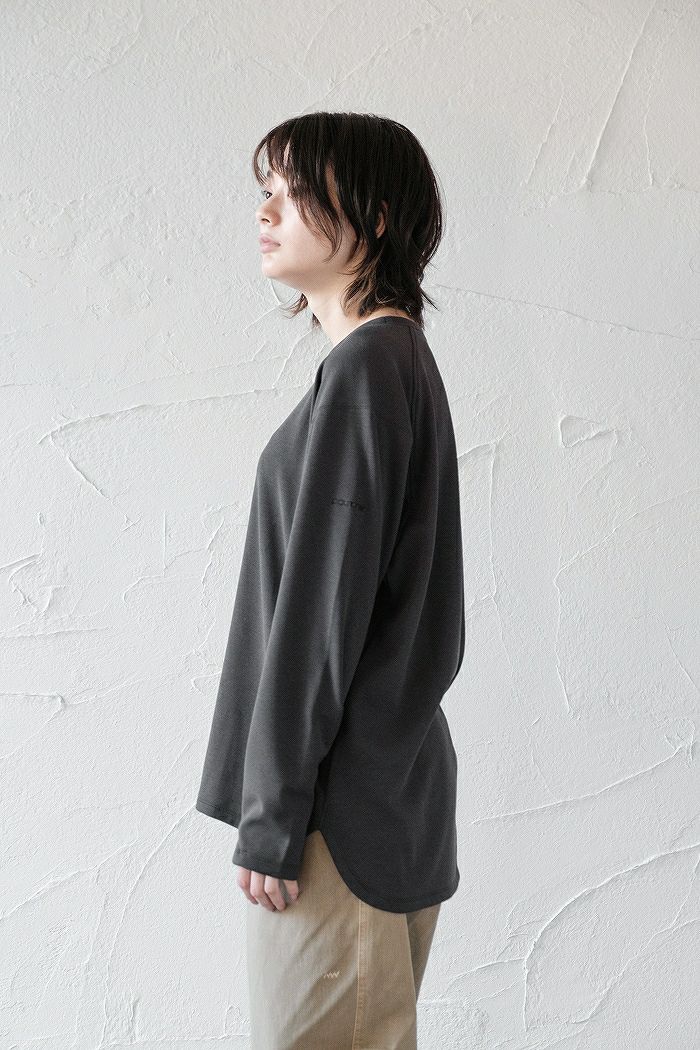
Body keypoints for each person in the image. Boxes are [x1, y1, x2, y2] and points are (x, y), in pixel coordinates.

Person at [195, 111, 465, 1050]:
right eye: (263, 189)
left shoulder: (368, 370)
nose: (266, 211)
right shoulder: (390, 363)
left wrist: (274, 819)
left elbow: (321, 618)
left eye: (295, 190)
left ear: (376, 217)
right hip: (373, 800)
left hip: (333, 824)